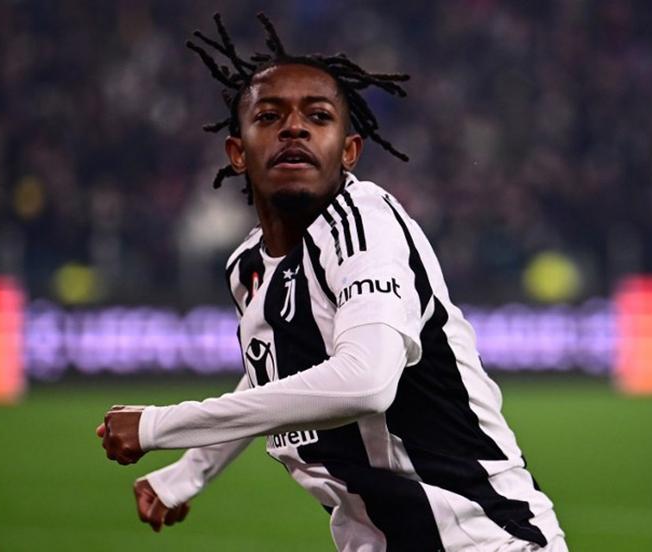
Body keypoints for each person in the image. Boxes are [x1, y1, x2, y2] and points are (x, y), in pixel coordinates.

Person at [97, 13, 567, 551]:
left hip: (486, 541)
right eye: (269, 116)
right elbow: (273, 376)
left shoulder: (364, 225)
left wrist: (160, 425)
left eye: (317, 117)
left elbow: (366, 381)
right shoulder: (250, 268)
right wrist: (190, 471)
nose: (293, 127)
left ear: (349, 152)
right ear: (237, 151)